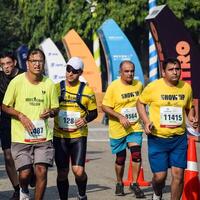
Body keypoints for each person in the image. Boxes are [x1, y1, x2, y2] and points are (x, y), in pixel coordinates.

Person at [136, 57, 198, 200]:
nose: (175, 72)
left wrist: (192, 118)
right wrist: (146, 121)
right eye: (171, 69)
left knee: (178, 175)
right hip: (158, 139)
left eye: (177, 69)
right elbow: (140, 103)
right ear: (163, 72)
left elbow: (189, 107)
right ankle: (157, 193)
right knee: (160, 177)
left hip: (178, 139)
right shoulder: (153, 87)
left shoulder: (186, 87)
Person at [2, 48, 59, 200]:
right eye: (34, 61)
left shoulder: (49, 84)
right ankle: (24, 189)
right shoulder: (17, 82)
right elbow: (5, 106)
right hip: (21, 137)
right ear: (27, 63)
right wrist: (20, 115)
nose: (37, 64)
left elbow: (56, 108)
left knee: (41, 170)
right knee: (25, 174)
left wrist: (51, 112)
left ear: (43, 63)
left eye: (40, 61)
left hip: (43, 137)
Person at [53, 57, 98, 200]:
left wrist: (85, 119)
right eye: (68, 69)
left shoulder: (88, 91)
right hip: (60, 136)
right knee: (62, 172)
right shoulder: (56, 88)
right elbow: (49, 107)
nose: (70, 73)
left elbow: (94, 112)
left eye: (75, 71)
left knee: (78, 171)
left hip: (78, 136)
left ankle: (82, 194)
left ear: (80, 73)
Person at [102, 60, 145, 198]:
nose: (130, 73)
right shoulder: (113, 87)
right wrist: (119, 116)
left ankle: (134, 183)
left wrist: (146, 119)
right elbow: (105, 107)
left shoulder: (139, 85)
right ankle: (119, 182)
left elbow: (142, 103)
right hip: (118, 128)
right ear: (120, 72)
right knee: (120, 158)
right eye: (126, 71)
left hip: (134, 127)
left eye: (132, 71)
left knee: (136, 154)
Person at [0, 51, 23, 200]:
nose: (6, 67)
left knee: (25, 157)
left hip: (24, 121)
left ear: (14, 62)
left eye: (8, 63)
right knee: (8, 157)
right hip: (6, 121)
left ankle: (29, 177)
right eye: (3, 65)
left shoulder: (25, 77)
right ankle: (17, 189)